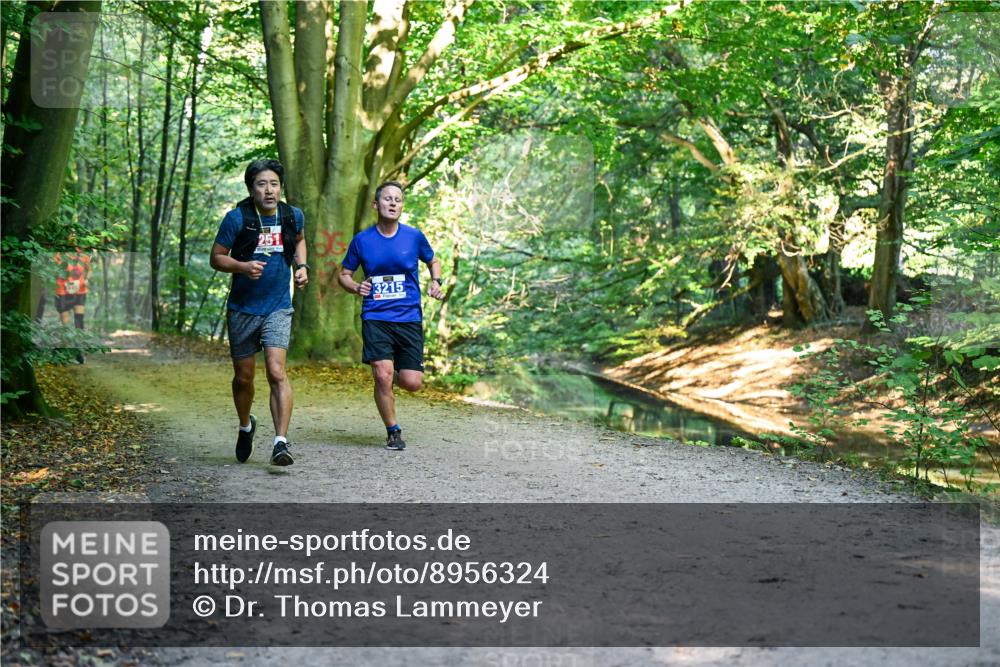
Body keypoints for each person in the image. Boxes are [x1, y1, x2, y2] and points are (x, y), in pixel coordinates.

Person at [210, 159, 309, 466]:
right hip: (242, 308)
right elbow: (216, 257)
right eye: (262, 184)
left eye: (274, 184)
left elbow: (300, 240)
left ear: (281, 187)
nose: (269, 190)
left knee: (277, 371)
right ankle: (245, 426)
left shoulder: (292, 216)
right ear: (251, 188)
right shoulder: (236, 219)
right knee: (244, 378)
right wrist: (242, 266)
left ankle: (280, 442)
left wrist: (301, 267)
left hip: (278, 306)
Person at [339, 181, 444, 451]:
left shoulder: (413, 237)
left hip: (408, 316)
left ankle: (389, 376)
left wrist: (436, 281)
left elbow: (433, 260)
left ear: (402, 205)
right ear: (376, 204)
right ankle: (393, 430)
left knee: (412, 382)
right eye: (387, 199)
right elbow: (344, 274)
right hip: (376, 315)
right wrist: (355, 286)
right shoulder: (362, 240)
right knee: (383, 374)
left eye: (398, 199)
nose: (393, 203)